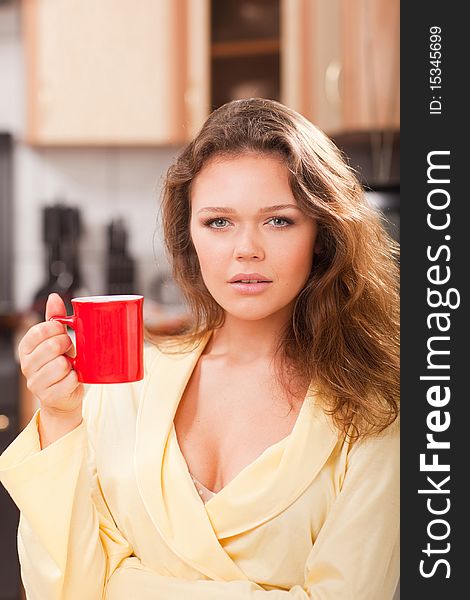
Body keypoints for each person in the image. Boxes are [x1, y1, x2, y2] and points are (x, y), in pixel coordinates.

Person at [0, 98, 400, 599]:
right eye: (218, 222)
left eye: (279, 220)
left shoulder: (374, 409)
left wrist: (125, 586)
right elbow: (65, 587)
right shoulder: (127, 384)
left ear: (321, 235)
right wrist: (59, 418)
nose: (246, 249)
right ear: (189, 236)